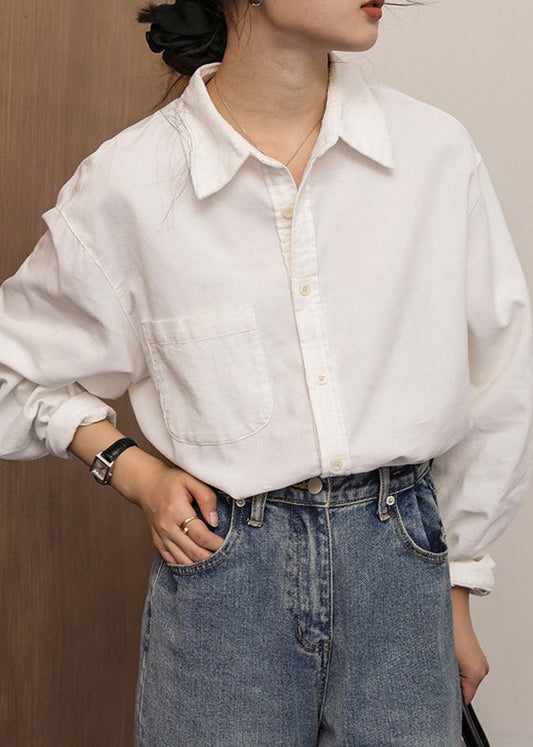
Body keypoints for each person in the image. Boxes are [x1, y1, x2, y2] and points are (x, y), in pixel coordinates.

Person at [0, 0, 531, 744]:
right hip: (225, 585)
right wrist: (130, 469)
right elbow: (12, 367)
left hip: (401, 575)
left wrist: (458, 584)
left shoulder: (432, 154)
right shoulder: (131, 182)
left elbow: (499, 380)